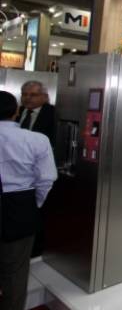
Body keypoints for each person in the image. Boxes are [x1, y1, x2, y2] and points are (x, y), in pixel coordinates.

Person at [0, 91, 57, 310]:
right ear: (17, 111)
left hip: (18, 202)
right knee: (15, 269)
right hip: (20, 205)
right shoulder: (36, 140)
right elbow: (47, 178)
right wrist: (34, 203)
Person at [16, 81, 56, 146]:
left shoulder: (53, 113)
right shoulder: (15, 111)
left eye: (33, 95)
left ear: (45, 97)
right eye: (24, 94)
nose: (27, 98)